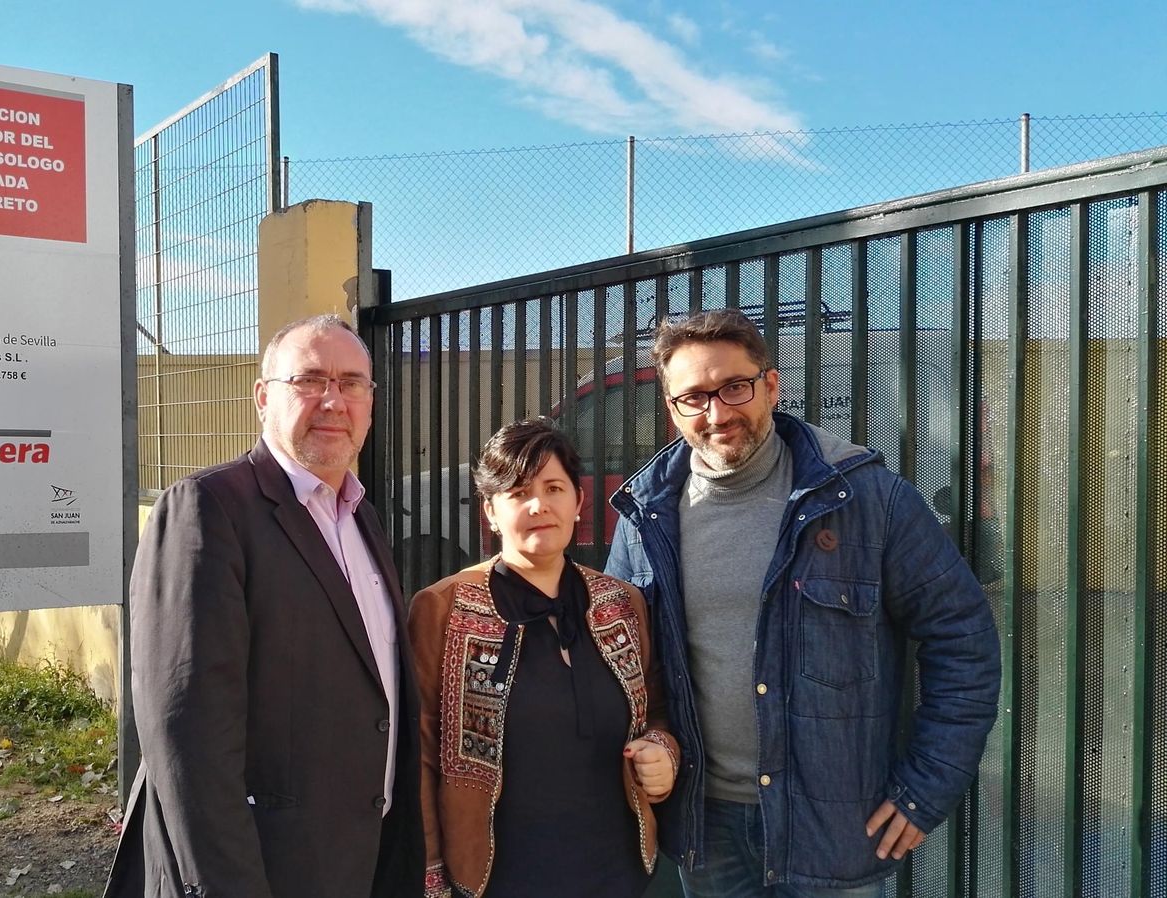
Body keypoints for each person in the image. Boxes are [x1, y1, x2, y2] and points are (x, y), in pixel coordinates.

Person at [603, 309, 1001, 896]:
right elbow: (627, 669)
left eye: (734, 386)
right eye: (694, 397)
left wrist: (925, 789)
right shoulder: (645, 517)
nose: (716, 413)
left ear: (770, 384)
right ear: (672, 408)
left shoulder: (865, 497)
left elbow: (963, 638)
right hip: (706, 830)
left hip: (834, 832)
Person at [104, 314, 423, 898]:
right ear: (262, 397)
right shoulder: (207, 509)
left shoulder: (361, 517)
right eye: (309, 380)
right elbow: (186, 737)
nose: (333, 400)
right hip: (261, 872)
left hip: (359, 862)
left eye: (352, 383)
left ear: (371, 401)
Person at [410, 417, 680, 898]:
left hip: (616, 871)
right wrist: (433, 879)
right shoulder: (443, 608)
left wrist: (663, 752)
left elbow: (657, 711)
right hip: (496, 877)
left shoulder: (621, 604)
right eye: (517, 493)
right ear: (490, 512)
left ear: (578, 502)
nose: (539, 505)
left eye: (554, 487)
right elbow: (421, 756)